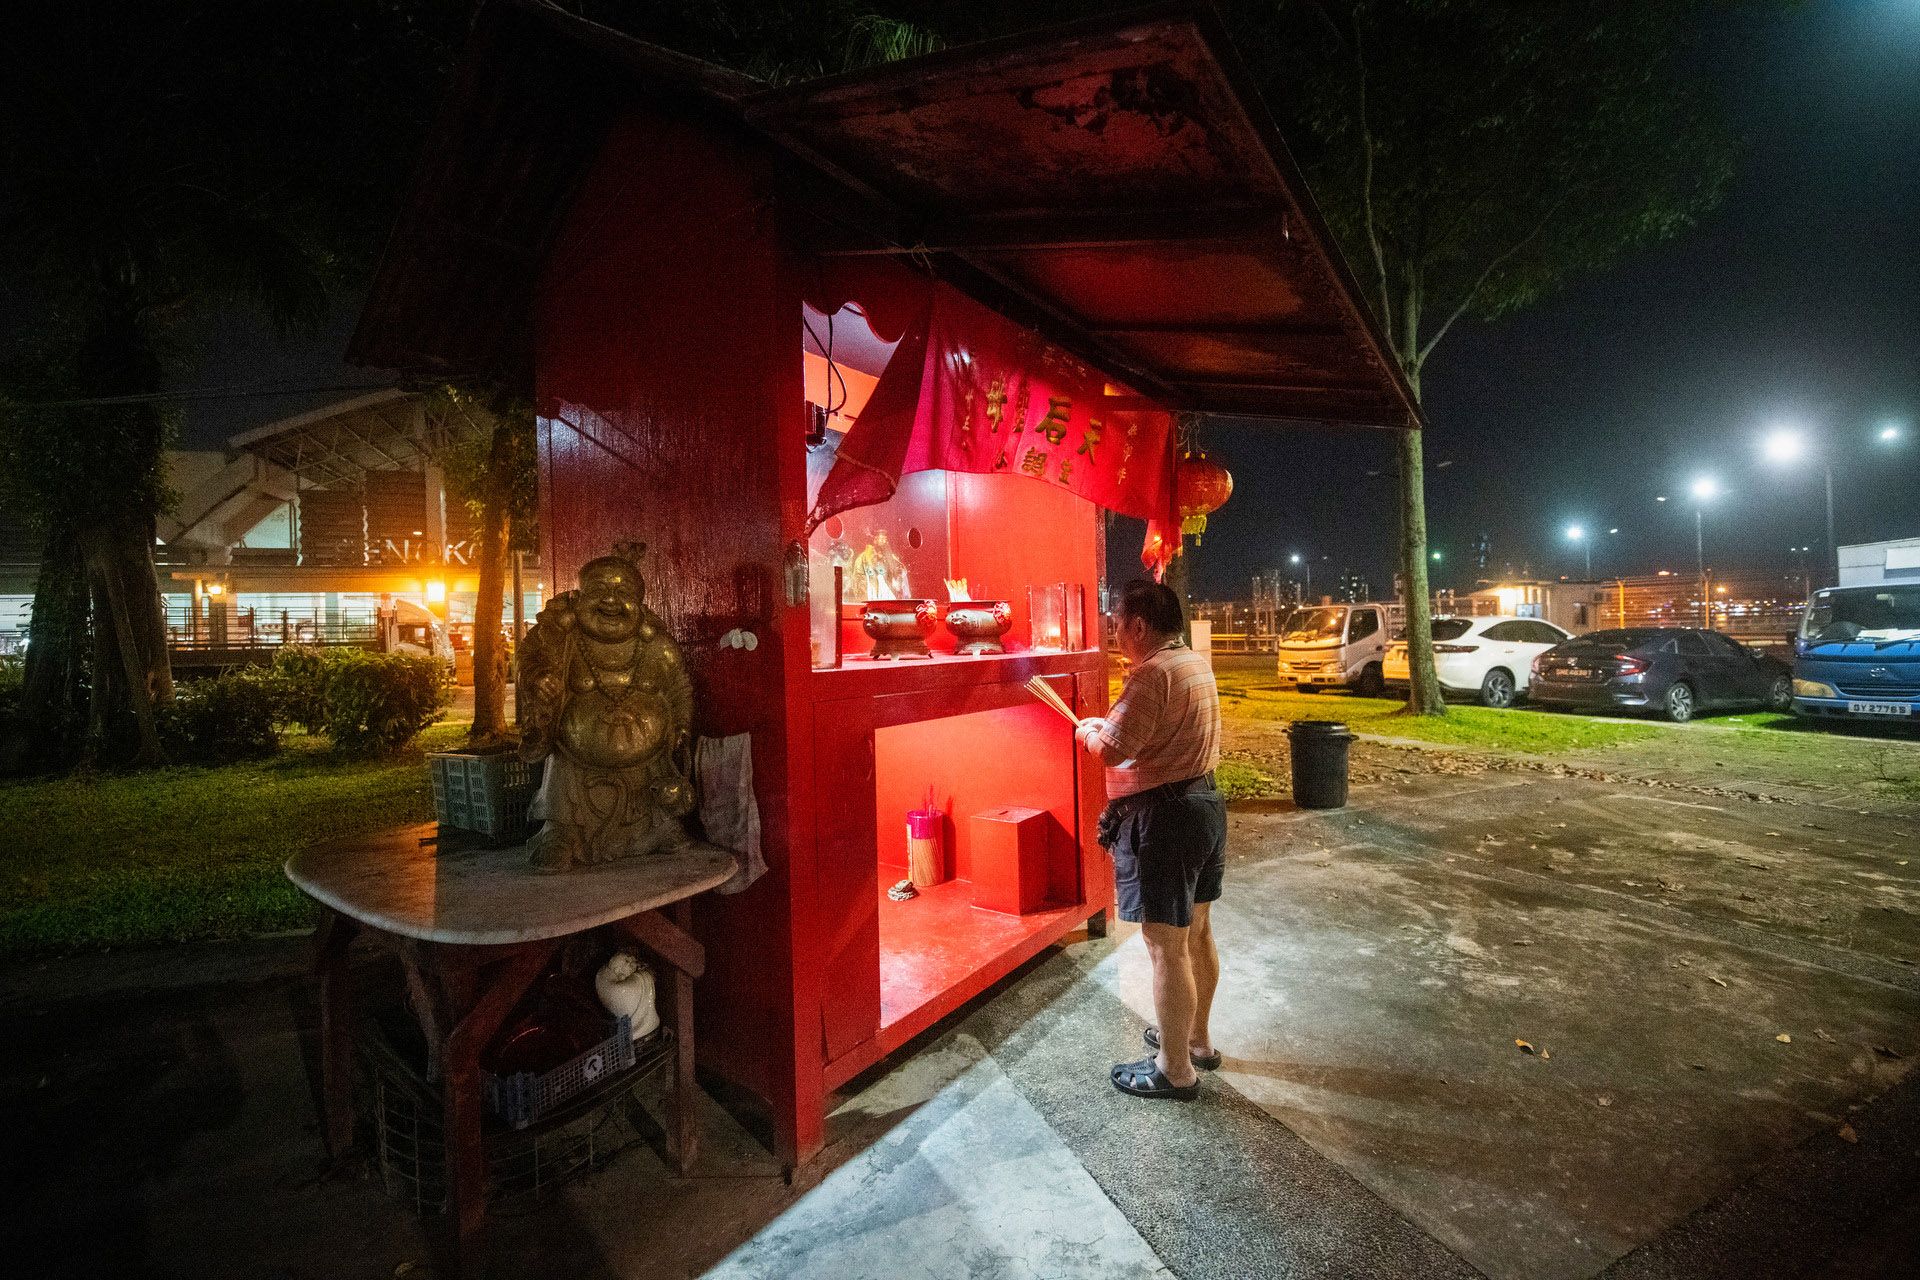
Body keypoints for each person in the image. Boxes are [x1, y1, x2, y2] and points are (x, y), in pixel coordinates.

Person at [1075, 579, 1225, 1100]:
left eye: (1116, 624)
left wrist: (1088, 732)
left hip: (1166, 821)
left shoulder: (1152, 673)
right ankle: (1197, 1040)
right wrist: (1109, 726)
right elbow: (1148, 733)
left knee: (1166, 947)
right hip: (1205, 806)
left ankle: (1175, 1069)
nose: (1115, 633)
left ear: (1138, 624)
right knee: (1197, 933)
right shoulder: (1192, 662)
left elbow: (1113, 749)